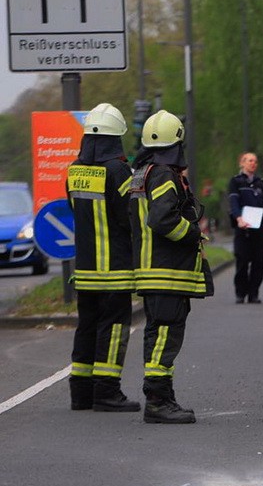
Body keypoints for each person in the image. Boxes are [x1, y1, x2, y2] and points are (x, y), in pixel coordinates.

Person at [129, 110, 208, 424]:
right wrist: (192, 233)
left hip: (150, 270)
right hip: (166, 271)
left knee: (157, 334)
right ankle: (159, 402)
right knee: (165, 336)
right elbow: (161, 220)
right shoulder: (163, 174)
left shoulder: (141, 173)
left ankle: (161, 397)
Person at [65, 103, 140, 413]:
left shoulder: (74, 169)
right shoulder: (119, 170)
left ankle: (80, 393)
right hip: (115, 269)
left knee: (87, 326)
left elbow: (74, 210)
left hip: (85, 268)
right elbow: (129, 217)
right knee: (113, 327)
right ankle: (106, 391)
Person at [228, 152, 263, 304]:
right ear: (242, 163)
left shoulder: (260, 183)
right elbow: (233, 201)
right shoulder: (236, 181)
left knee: (258, 263)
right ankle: (240, 293)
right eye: (249, 161)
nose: (253, 163)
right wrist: (238, 217)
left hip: (258, 228)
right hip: (243, 227)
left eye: (255, 161)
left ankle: (254, 293)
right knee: (242, 261)